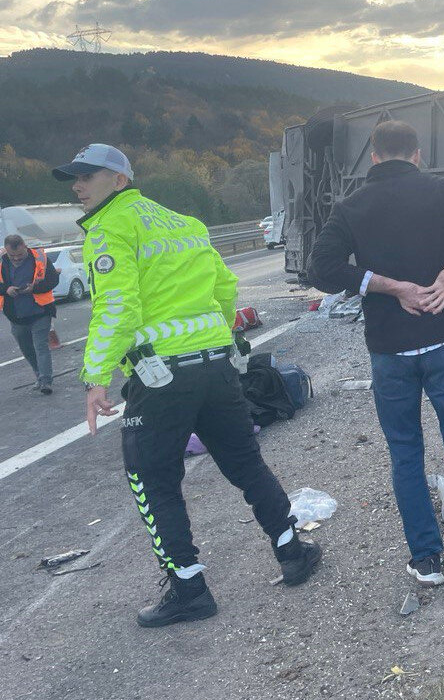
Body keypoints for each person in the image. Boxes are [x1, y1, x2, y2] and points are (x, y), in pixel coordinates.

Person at [53, 143, 320, 628]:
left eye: (87, 177)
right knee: (246, 464)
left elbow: (118, 308)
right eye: (75, 178)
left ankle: (188, 590)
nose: (77, 186)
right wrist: (220, 340)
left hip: (161, 378)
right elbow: (225, 289)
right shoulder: (185, 224)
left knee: (152, 481)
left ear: (119, 180)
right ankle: (293, 553)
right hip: (216, 367)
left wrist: (96, 377)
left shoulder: (111, 227)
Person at [308, 120, 444, 594]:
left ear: (374, 156)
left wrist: (388, 286)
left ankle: (426, 560)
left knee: (405, 455)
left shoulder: (351, 207)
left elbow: (321, 269)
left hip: (390, 351)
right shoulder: (440, 190)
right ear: (417, 154)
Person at [1, 234, 60, 394]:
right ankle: (39, 375)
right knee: (27, 349)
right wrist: (6, 290)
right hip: (16, 316)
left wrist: (34, 288)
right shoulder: (1, 262)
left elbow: (53, 280)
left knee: (41, 346)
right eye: (12, 255)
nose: (16, 258)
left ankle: (46, 381)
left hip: (40, 312)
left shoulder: (40, 258)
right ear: (6, 250)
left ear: (25, 247)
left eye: (20, 254)